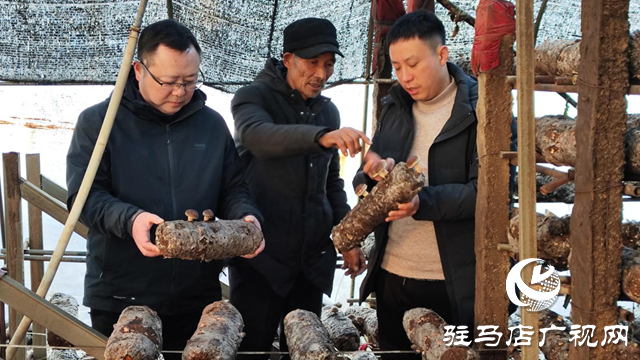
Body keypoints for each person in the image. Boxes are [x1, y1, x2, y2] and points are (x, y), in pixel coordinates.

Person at [66, 19, 264, 360]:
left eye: (190, 80)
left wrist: (246, 217)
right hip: (121, 297)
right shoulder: (100, 123)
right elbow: (86, 199)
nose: (180, 91)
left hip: (195, 297)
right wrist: (132, 219)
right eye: (169, 81)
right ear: (139, 70)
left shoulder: (211, 125)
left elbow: (234, 188)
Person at [229, 17, 370, 359]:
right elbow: (257, 136)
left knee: (307, 348)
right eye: (312, 63)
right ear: (288, 59)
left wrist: (348, 240)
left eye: (329, 64)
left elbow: (331, 183)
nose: (321, 74)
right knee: (252, 348)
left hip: (311, 259)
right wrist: (320, 137)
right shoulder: (253, 98)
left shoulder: (327, 111)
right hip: (260, 259)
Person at [353, 10, 478, 359]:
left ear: (441, 55)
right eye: (396, 67)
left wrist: (423, 203)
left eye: (413, 64)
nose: (404, 77)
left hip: (451, 282)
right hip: (393, 274)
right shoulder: (396, 105)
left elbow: (485, 194)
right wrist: (372, 173)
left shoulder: (480, 111)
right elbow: (367, 173)